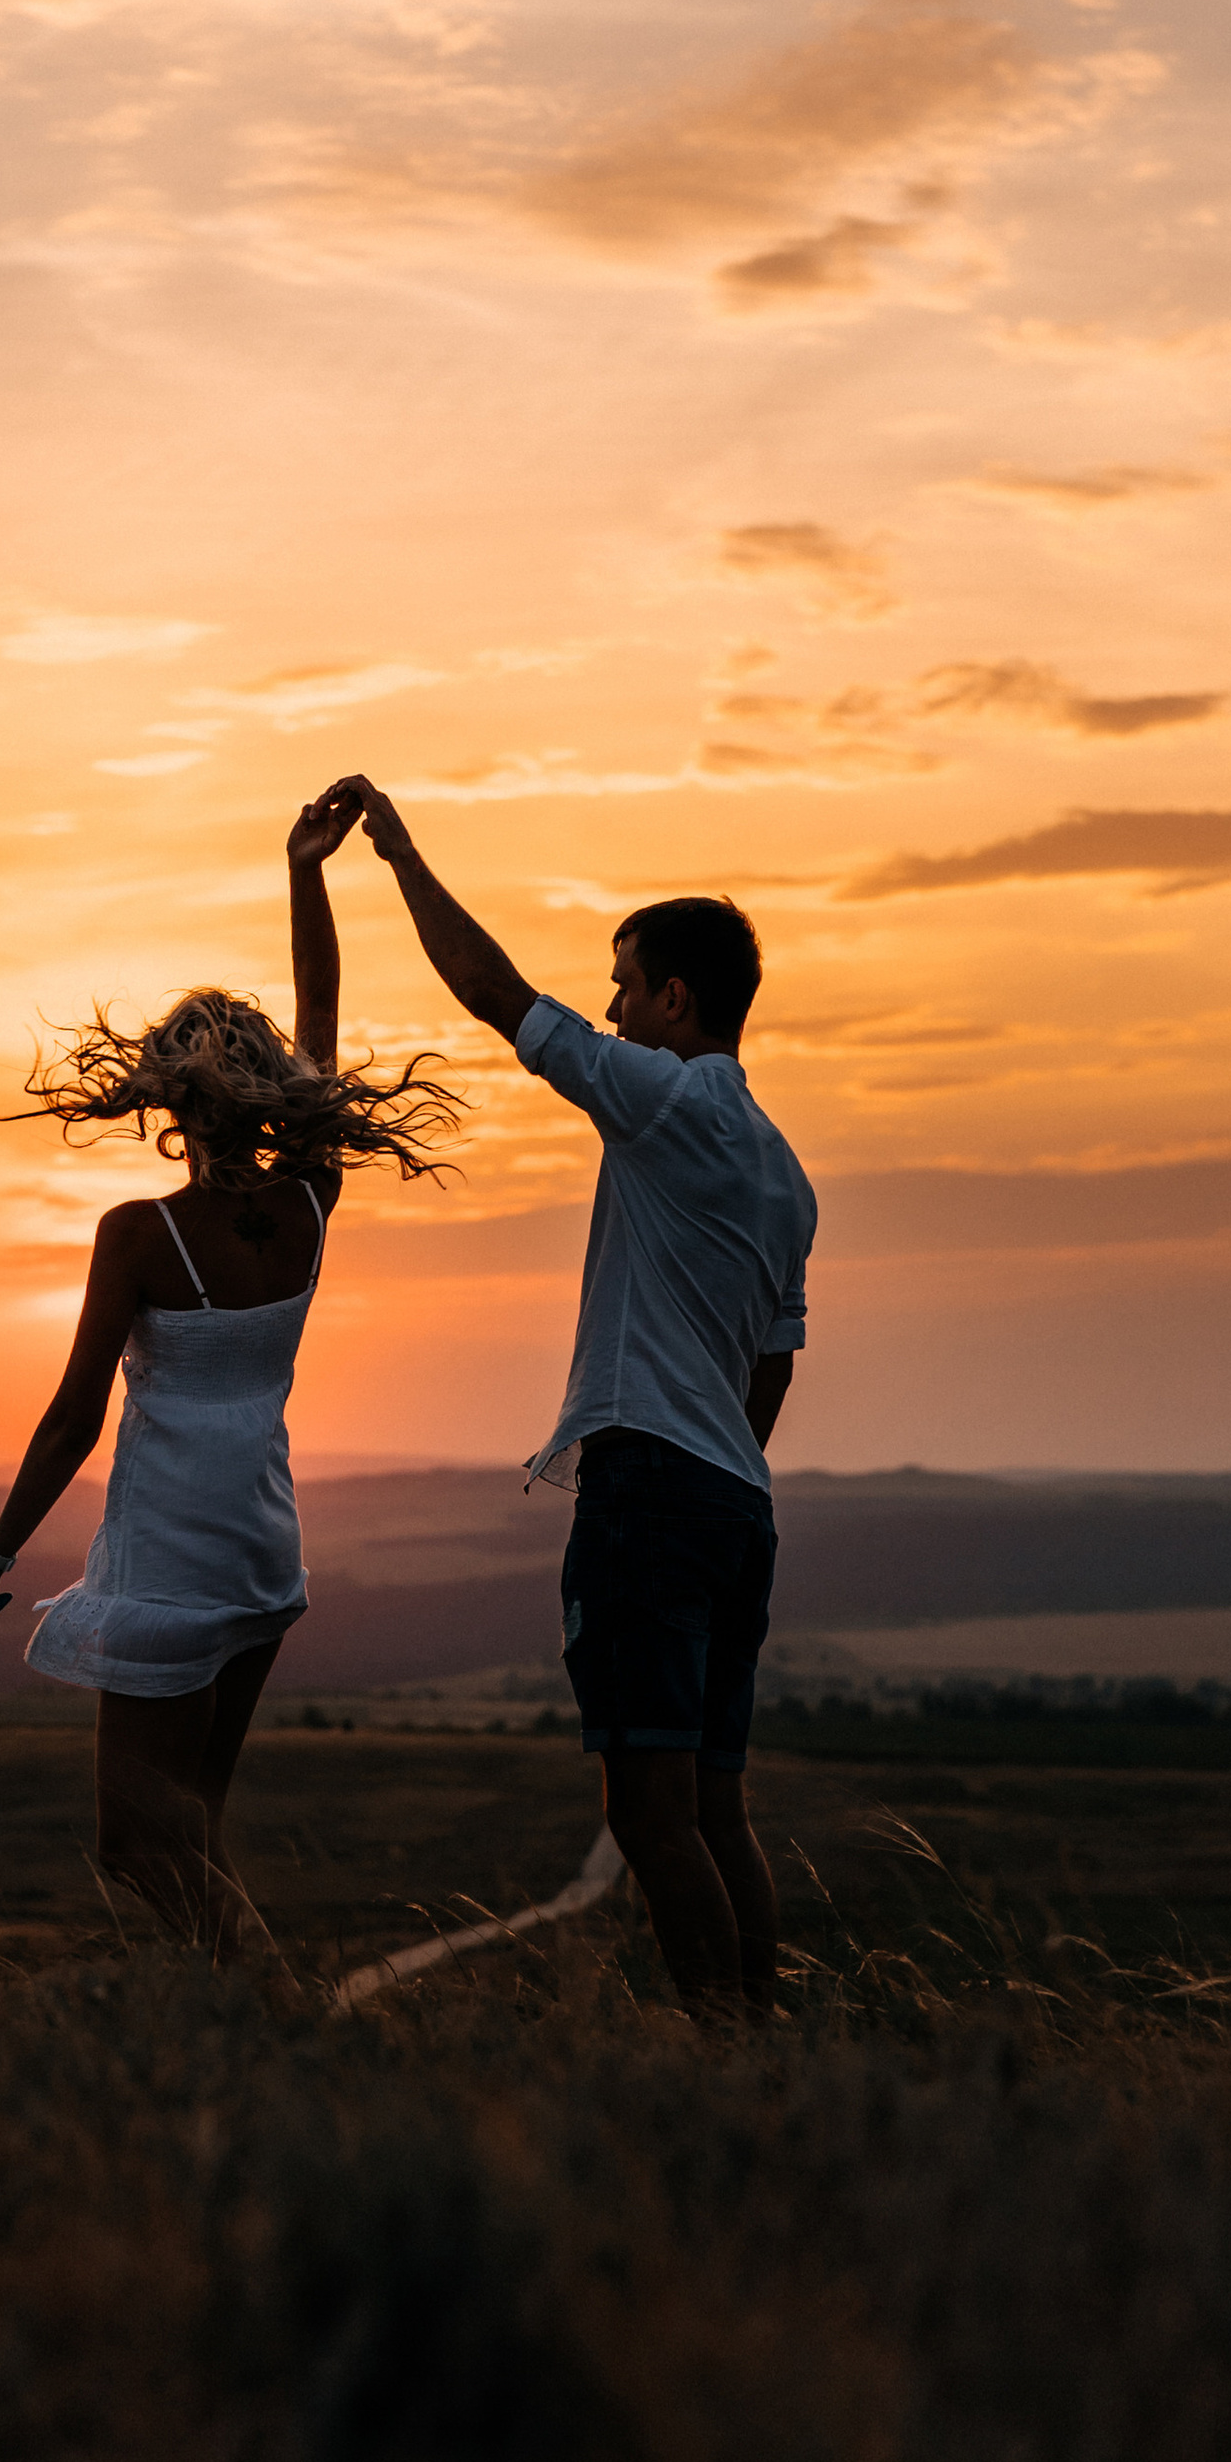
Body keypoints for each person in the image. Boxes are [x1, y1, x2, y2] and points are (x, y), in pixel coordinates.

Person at [0, 788, 458, 1956]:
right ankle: (248, 2042)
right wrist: (306, 873)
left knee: (135, 1847)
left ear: (169, 1093)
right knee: (193, 1834)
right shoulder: (312, 1198)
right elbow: (321, 1021)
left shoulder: (137, 1235)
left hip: (171, 1559)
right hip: (263, 1547)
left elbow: (72, 1419)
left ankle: (283, 2016)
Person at [328, 776, 816, 2023]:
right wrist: (717, 1458)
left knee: (647, 1818)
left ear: (674, 1001)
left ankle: (724, 2047)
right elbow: (772, 1365)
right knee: (716, 1805)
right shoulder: (782, 1171)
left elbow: (500, 1000)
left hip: (651, 1490)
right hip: (733, 1501)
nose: (606, 1006)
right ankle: (766, 2050)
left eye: (622, 983)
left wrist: (397, 856)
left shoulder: (667, 1102)